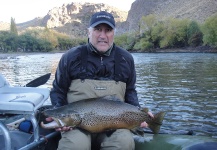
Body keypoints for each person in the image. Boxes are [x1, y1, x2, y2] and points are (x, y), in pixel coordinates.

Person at [49, 11, 153, 150]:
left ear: (113, 33)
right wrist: (60, 114)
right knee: (75, 145)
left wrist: (139, 112)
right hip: (77, 125)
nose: (102, 36)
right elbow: (58, 91)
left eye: (108, 30)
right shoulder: (71, 57)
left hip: (115, 125)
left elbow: (130, 92)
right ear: (88, 32)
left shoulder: (126, 59)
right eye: (98, 29)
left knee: (124, 142)